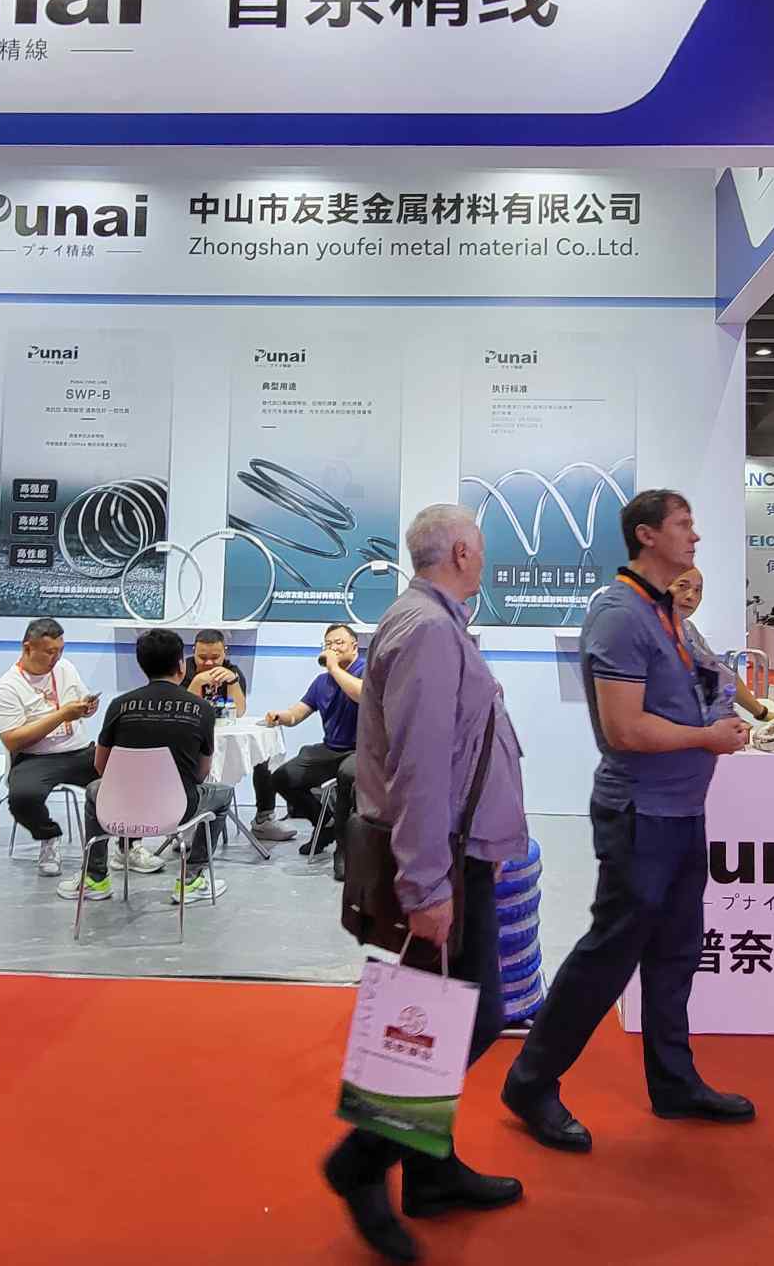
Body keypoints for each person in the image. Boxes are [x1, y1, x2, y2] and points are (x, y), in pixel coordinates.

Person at [501, 489, 755, 1155]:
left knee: (676, 952)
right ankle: (530, 1081)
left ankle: (674, 1082)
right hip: (641, 813)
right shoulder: (619, 614)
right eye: (683, 525)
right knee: (608, 956)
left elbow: (700, 689)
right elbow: (624, 729)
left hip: (682, 810)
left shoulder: (666, 611)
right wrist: (706, 738)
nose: (695, 537)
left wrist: (727, 718)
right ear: (646, 535)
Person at [323, 505, 528, 1262]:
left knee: (442, 1014)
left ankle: (431, 1173)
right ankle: (360, 1160)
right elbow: (418, 765)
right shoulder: (430, 631)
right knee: (457, 1018)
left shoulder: (432, 622)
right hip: (442, 861)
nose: (487, 558)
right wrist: (428, 885)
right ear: (463, 552)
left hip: (455, 854)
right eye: (483, 547)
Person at [63, 627, 234, 906]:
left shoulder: (119, 706)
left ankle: (95, 877)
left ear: (141, 664)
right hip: (178, 809)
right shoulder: (201, 709)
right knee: (223, 793)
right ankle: (192, 879)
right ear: (181, 664)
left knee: (95, 790)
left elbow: (101, 766)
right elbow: (201, 774)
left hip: (121, 807)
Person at [0, 618, 124, 878]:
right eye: (50, 651)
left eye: (60, 650)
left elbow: (79, 703)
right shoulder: (8, 686)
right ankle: (49, 836)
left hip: (80, 751)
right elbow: (12, 740)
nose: (56, 657)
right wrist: (62, 715)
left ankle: (128, 846)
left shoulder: (65, 668)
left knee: (125, 777)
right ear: (28, 648)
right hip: (35, 758)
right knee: (23, 798)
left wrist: (87, 708)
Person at [253, 622, 365, 856]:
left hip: (361, 751)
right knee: (282, 778)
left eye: (339, 643)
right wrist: (281, 716)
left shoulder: (367, 670)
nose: (333, 648)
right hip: (330, 749)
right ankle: (325, 823)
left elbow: (362, 694)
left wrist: (334, 668)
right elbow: (297, 713)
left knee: (348, 777)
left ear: (354, 646)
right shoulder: (321, 682)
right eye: (328, 644)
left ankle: (345, 848)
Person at [671, 566, 770, 721]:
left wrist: (761, 713)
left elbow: (720, 673)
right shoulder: (644, 630)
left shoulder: (688, 629)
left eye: (698, 590)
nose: (691, 596)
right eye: (682, 586)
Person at [182, 627, 247, 716]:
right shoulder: (181, 670)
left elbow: (238, 713)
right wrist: (197, 682)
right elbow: (182, 712)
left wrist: (233, 682)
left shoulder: (232, 673)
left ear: (224, 653)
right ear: (194, 652)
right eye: (202, 657)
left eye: (215, 657)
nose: (209, 663)